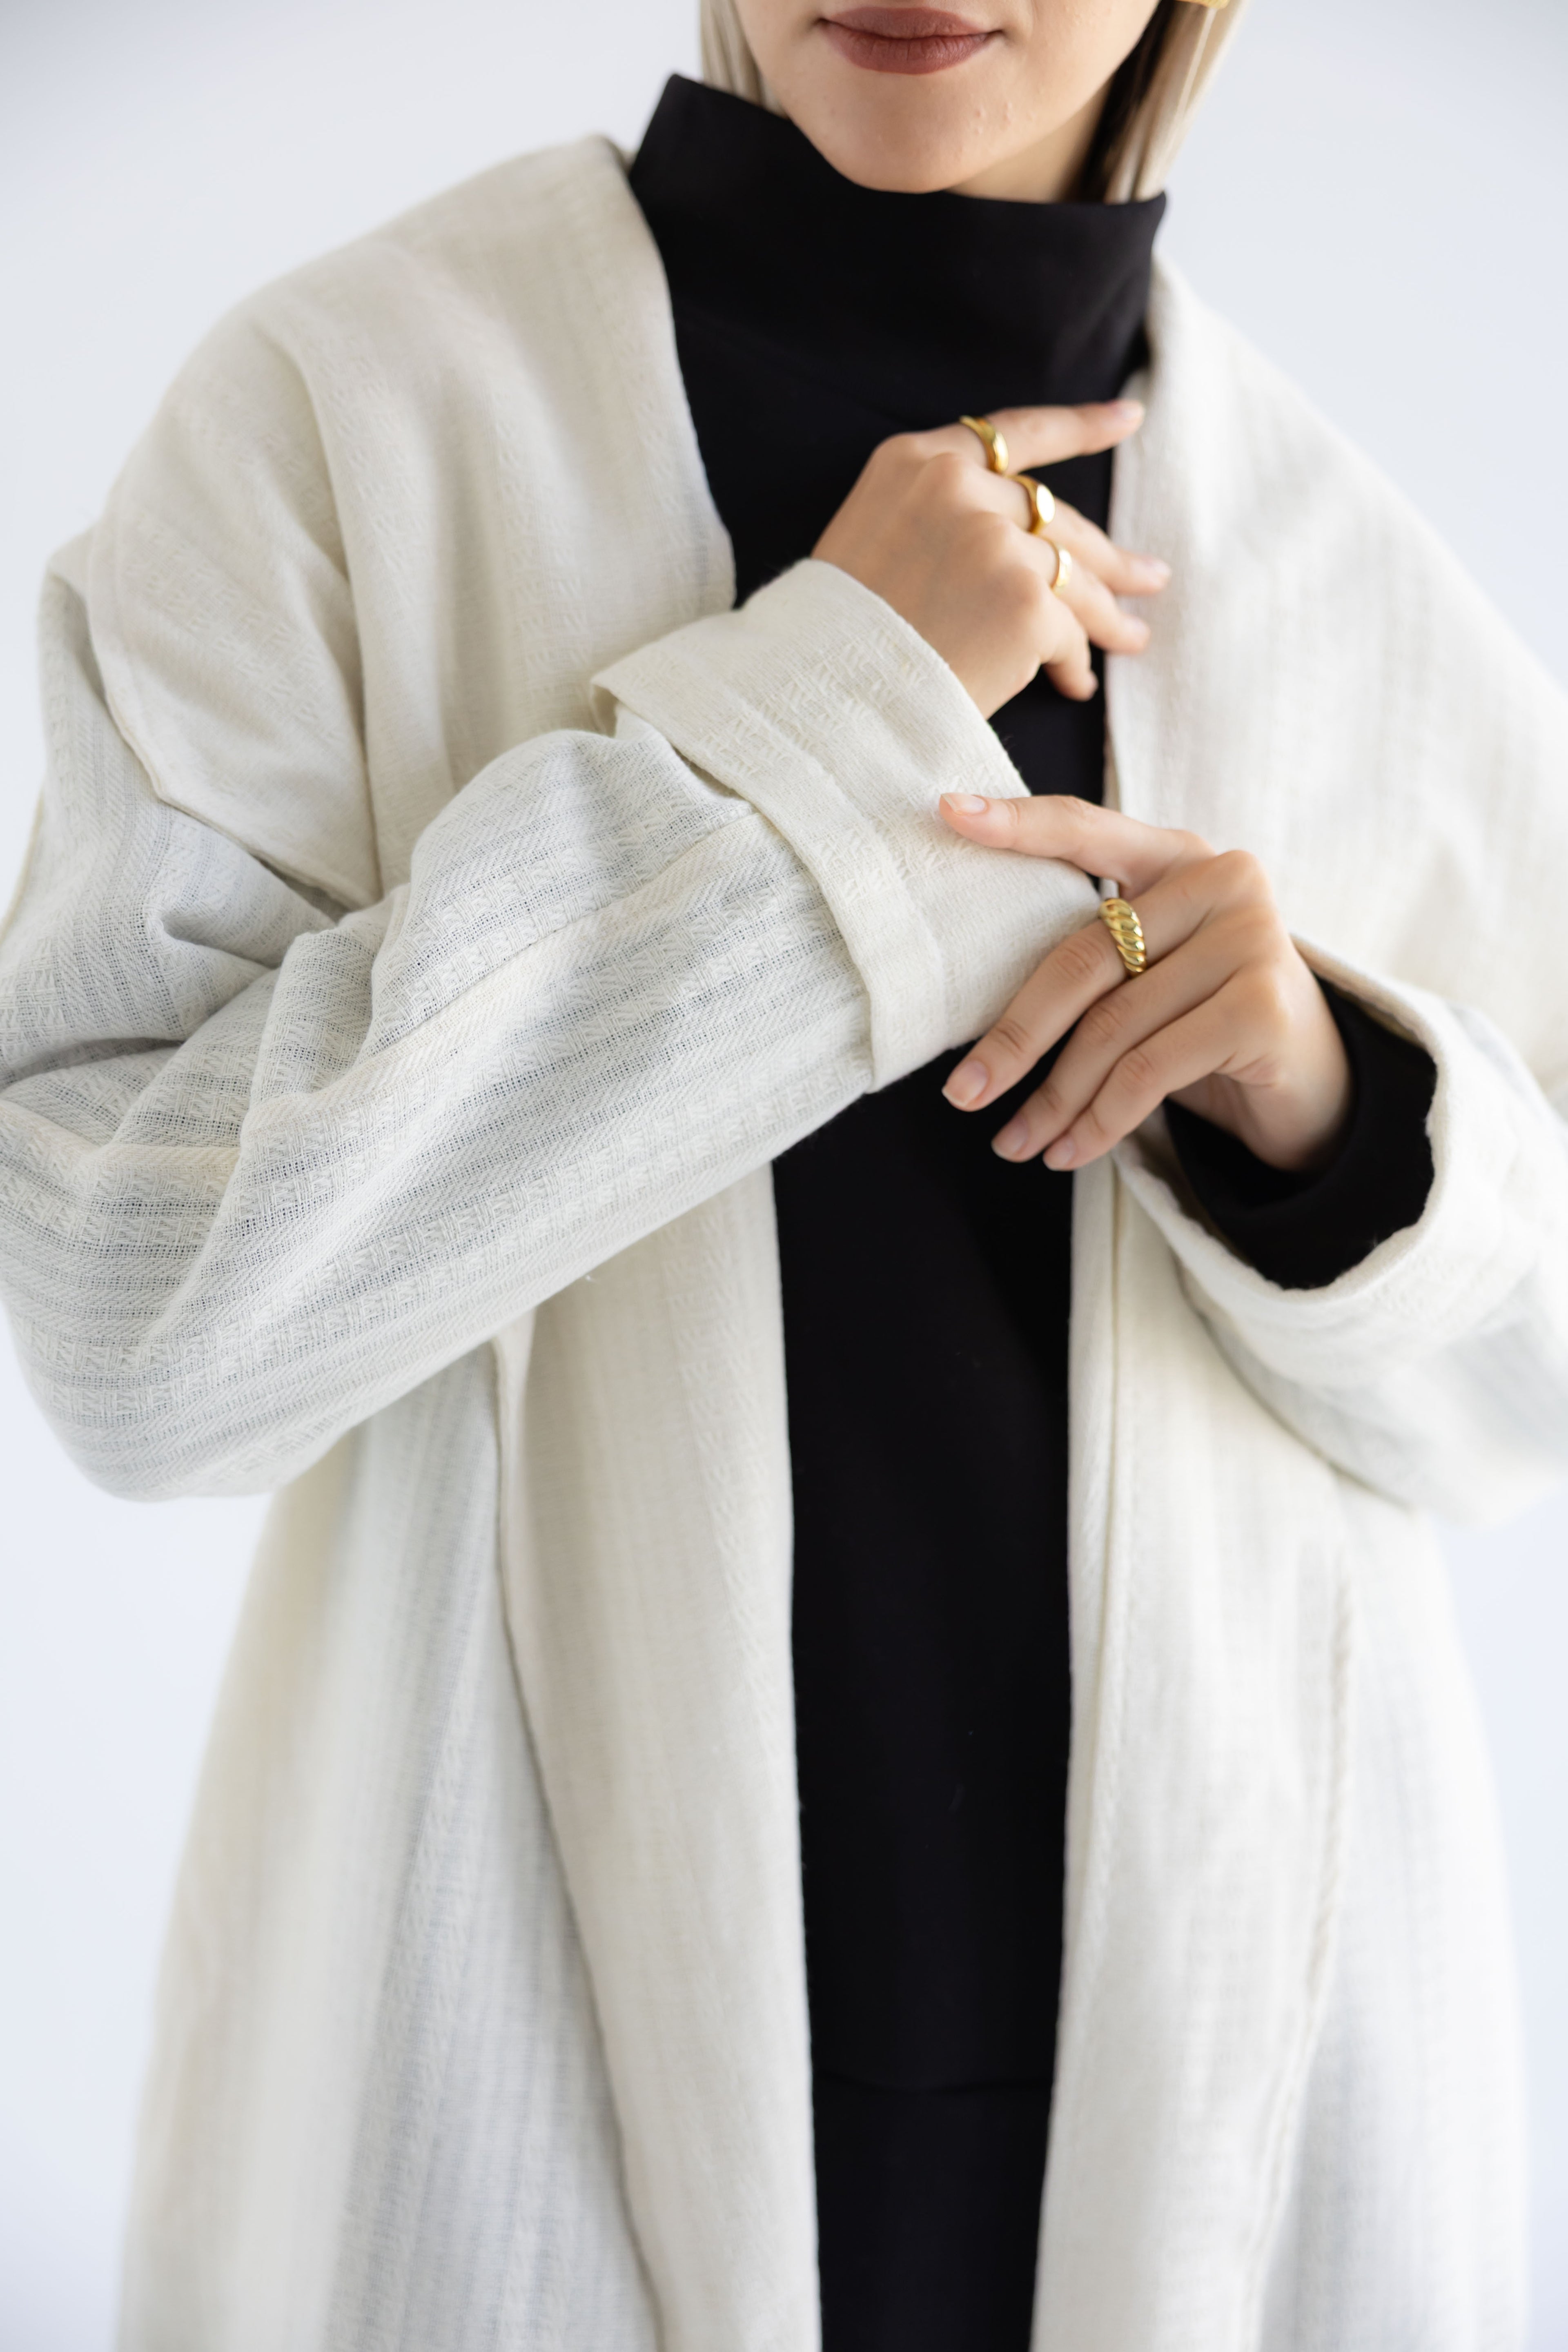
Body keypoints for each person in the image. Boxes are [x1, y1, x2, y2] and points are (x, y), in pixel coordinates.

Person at [0, 0, 1563, 2345]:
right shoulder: (355, 411)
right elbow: (135, 1318)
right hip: (502, 2100)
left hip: (1224, 2121)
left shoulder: (1350, 572)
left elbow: (1527, 1398)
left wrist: (1340, 1120)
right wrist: (828, 714)